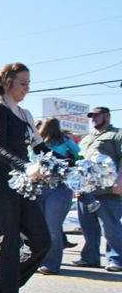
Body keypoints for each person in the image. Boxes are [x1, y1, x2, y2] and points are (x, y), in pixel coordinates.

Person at [0, 64, 52, 293]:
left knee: (42, 241)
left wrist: (66, 164)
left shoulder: (25, 114)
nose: (26, 88)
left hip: (20, 183)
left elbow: (40, 147)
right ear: (8, 83)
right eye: (22, 82)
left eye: (28, 83)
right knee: (8, 246)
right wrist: (27, 166)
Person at [72, 107, 122, 272]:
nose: (93, 119)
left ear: (106, 116)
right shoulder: (87, 139)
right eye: (91, 116)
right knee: (88, 228)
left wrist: (119, 180)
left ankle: (116, 259)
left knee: (111, 227)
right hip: (86, 191)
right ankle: (90, 258)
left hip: (108, 190)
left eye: (96, 116)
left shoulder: (117, 134)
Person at [35, 117, 80, 275]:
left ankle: (47, 264)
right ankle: (50, 264)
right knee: (52, 229)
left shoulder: (38, 141)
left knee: (43, 228)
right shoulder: (65, 139)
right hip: (59, 184)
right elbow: (77, 151)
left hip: (41, 184)